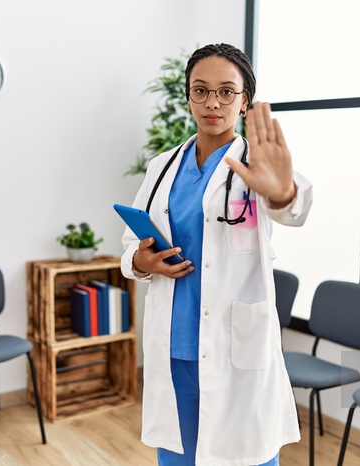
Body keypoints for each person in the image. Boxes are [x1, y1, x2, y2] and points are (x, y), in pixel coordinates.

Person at [121, 43, 313, 466]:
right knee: (178, 458)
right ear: (187, 96)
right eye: (201, 90)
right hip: (174, 348)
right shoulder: (161, 168)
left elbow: (292, 206)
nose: (213, 102)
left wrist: (282, 192)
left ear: (245, 101)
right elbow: (130, 246)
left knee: (246, 455)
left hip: (234, 348)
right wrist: (141, 261)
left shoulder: (257, 163)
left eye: (227, 91)